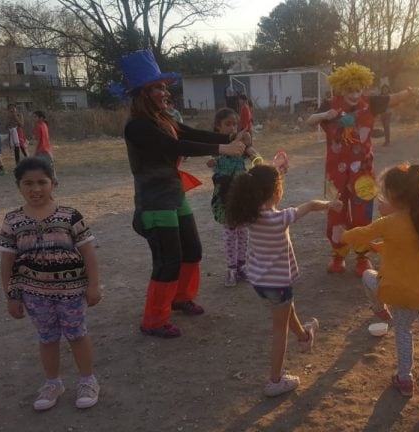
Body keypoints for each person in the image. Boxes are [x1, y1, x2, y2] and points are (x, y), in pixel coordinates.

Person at [117, 49, 246, 338]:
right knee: (168, 260)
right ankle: (153, 319)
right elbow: (174, 147)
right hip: (154, 202)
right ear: (142, 94)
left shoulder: (163, 118)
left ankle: (180, 297)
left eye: (164, 86)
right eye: (157, 88)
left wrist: (230, 137)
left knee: (192, 250)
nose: (165, 91)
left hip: (174, 194)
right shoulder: (137, 126)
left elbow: (190, 134)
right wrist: (222, 148)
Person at [0, 157, 101, 411]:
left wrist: (93, 285)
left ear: (53, 184)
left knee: (77, 335)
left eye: (42, 182)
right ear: (19, 186)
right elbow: (7, 260)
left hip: (72, 292)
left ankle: (88, 380)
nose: (35, 189)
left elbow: (88, 253)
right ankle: (53, 383)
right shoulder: (12, 221)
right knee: (47, 338)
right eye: (28, 183)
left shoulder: (70, 216)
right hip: (34, 294)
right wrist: (11, 294)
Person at [225, 164, 332, 397]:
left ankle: (304, 337)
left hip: (260, 283)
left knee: (286, 308)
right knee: (279, 329)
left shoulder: (250, 216)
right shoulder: (280, 218)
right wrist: (331, 205)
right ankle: (275, 381)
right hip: (278, 284)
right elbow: (312, 205)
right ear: (276, 192)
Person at [305, 62, 419, 276]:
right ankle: (338, 254)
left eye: (358, 89)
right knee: (336, 211)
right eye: (350, 90)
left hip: (364, 173)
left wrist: (409, 92)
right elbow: (310, 121)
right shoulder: (329, 104)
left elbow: (392, 99)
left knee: (363, 212)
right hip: (335, 173)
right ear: (341, 88)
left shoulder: (371, 103)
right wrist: (324, 116)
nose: (355, 94)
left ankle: (362, 256)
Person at [342, 164, 419, 397]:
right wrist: (381, 248)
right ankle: (405, 379)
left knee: (367, 275)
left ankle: (379, 309)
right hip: (416, 292)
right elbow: (407, 248)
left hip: (392, 290)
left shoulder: (389, 222)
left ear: (393, 195)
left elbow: (362, 233)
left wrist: (343, 236)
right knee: (403, 333)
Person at [207, 107, 261, 287]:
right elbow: (212, 161)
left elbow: (253, 153)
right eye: (227, 124)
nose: (232, 128)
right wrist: (212, 162)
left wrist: (254, 154)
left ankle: (242, 267)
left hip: (241, 193)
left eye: (234, 124)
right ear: (217, 127)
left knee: (243, 230)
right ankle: (231, 269)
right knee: (230, 231)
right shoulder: (218, 146)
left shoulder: (241, 144)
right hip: (224, 194)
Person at [32, 111, 54, 175]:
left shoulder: (39, 127)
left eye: (35, 117)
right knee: (50, 170)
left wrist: (35, 151)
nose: (33, 118)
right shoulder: (44, 125)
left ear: (41, 118)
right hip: (47, 151)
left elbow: (39, 141)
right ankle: (53, 183)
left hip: (42, 151)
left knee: (40, 170)